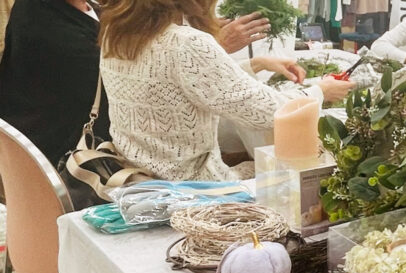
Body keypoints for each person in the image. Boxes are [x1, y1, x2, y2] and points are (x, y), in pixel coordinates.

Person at [98, 0, 355, 182]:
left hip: (136, 179)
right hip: (192, 188)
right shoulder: (187, 43)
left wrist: (256, 64)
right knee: (287, 172)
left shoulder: (116, 33)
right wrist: (321, 91)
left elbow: (179, 86)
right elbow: (267, 112)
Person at [0, 0, 270, 168]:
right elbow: (139, 83)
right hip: (74, 162)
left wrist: (244, 61)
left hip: (136, 160)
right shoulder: (42, 20)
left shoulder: (98, 16)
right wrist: (209, 48)